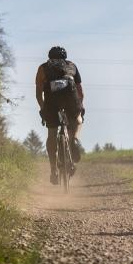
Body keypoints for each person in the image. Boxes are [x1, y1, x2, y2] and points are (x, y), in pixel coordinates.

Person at [36, 46, 85, 185]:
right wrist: (80, 107)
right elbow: (80, 90)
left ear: (49, 56)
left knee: (52, 133)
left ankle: (53, 171)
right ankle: (74, 139)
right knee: (77, 120)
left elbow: (39, 92)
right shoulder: (71, 65)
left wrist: (43, 108)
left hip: (52, 99)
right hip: (70, 97)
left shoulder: (43, 68)